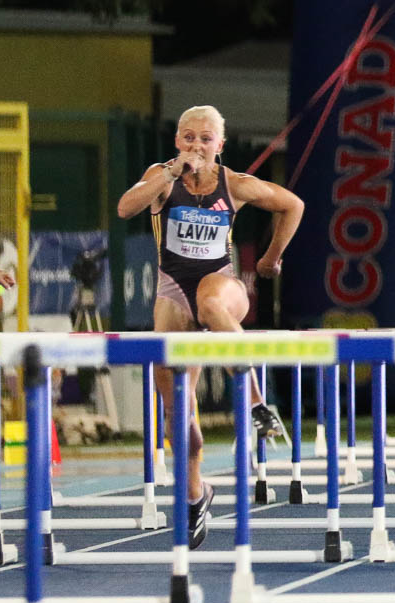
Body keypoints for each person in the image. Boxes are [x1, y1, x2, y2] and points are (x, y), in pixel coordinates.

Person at [115, 105, 302, 549]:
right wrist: (169, 173)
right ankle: (196, 493)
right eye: (188, 137)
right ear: (177, 141)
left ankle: (255, 401)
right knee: (177, 417)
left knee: (211, 303)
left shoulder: (233, 184)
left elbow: (292, 205)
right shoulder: (162, 176)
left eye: (205, 138)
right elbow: (125, 208)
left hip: (222, 285)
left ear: (220, 144)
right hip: (172, 293)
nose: (196, 145)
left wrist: (271, 259)